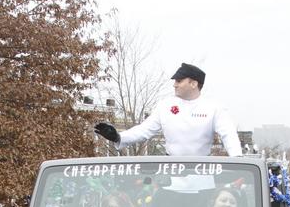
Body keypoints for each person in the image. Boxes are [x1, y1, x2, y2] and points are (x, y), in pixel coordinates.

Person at [94, 62, 242, 157]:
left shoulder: (214, 108)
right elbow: (145, 130)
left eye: (179, 81)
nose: (175, 85)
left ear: (194, 83)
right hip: (170, 177)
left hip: (202, 178)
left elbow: (228, 134)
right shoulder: (165, 106)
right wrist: (118, 137)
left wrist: (238, 159)